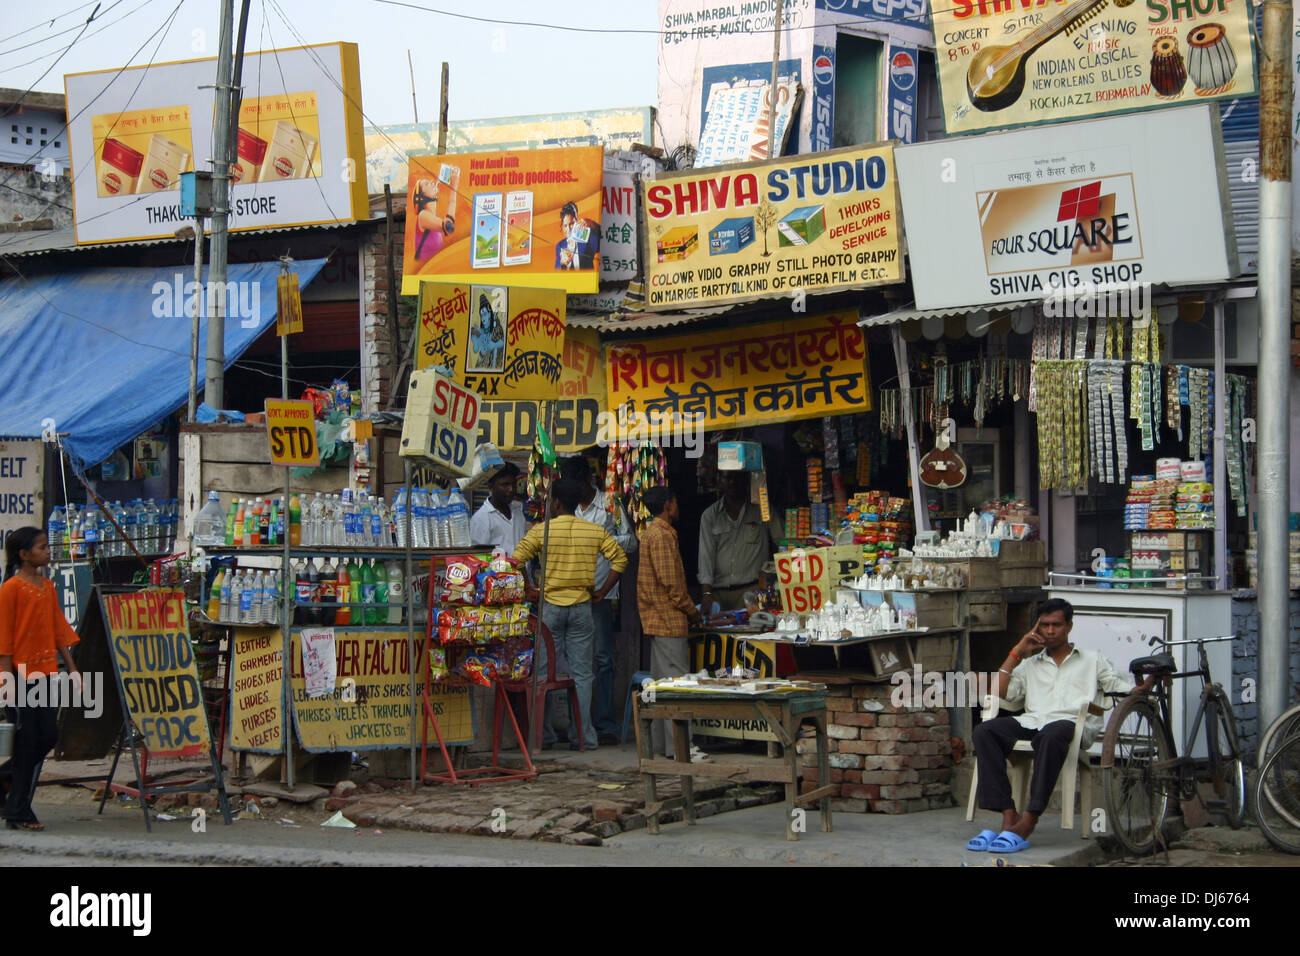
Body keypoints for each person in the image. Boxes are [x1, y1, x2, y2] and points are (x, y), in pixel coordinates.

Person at [967, 598, 1150, 853]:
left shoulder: (1092, 659)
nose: (1050, 631)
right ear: (1037, 628)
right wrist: (1017, 651)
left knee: (1051, 735)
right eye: (1044, 625)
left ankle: (1030, 819)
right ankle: (1009, 814)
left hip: (1072, 724)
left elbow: (1118, 688)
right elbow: (997, 693)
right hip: (1033, 721)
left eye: (1057, 625)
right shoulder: (1030, 664)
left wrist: (1140, 689)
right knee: (984, 731)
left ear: (1069, 626)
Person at [513, 478, 628, 751]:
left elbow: (514, 561)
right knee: (583, 674)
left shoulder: (542, 531)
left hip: (549, 608)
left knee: (542, 673)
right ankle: (584, 737)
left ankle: (544, 736)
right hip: (582, 608)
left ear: (555, 503)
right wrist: (602, 591)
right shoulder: (594, 531)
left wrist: (529, 589)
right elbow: (620, 559)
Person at [0, 527, 81, 831]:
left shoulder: (47, 587)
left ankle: (7, 786)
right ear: (24, 555)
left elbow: (59, 631)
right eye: (42, 547)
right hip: (18, 676)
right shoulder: (10, 588)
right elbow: (4, 639)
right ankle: (18, 810)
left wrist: (72, 668)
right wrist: (6, 680)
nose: (48, 551)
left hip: (46, 673)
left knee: (47, 736)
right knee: (27, 740)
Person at [560, 455, 638, 745]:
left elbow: (630, 541)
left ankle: (605, 724)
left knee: (603, 659)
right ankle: (578, 726)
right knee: (572, 664)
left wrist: (600, 539)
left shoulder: (609, 504)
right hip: (570, 593)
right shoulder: (564, 507)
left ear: (587, 481)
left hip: (601, 594)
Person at [637, 487, 702, 758]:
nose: (677, 506)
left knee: (664, 685)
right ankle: (681, 746)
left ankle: (667, 746)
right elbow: (671, 583)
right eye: (675, 501)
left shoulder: (653, 533)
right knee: (677, 685)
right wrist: (692, 612)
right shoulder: (661, 535)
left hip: (659, 618)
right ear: (668, 505)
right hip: (668, 619)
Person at [697, 469, 783, 611]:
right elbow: (705, 556)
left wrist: (773, 572)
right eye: (727, 477)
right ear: (719, 481)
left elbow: (783, 542)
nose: (732, 482)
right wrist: (706, 594)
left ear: (746, 480)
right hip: (718, 594)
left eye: (738, 478)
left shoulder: (762, 508)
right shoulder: (710, 516)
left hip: (751, 591)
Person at [469, 463, 527, 556]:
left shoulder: (518, 512)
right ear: (491, 486)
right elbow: (478, 557)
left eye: (514, 484)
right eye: (505, 485)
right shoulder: (481, 519)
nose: (511, 489)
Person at [553, 201, 600, 270]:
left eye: (571, 224)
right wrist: (562, 263)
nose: (568, 229)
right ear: (562, 227)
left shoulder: (586, 239)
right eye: (565, 226)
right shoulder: (560, 245)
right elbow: (557, 273)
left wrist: (590, 223)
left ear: (576, 222)